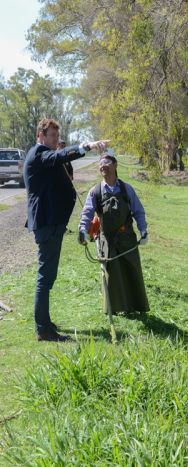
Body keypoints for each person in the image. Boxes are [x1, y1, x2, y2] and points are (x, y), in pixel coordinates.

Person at [24, 118, 108, 342]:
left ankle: (45, 322)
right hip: (47, 223)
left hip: (52, 223)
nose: (55, 140)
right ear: (41, 136)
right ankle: (43, 329)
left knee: (48, 276)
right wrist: (86, 146)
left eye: (56, 136)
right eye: (52, 136)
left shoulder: (45, 156)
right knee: (45, 276)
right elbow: (59, 156)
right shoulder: (39, 154)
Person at [78, 154, 149, 315]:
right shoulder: (95, 191)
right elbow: (87, 212)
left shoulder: (126, 189)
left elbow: (138, 211)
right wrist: (83, 229)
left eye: (107, 162)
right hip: (106, 241)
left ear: (115, 166)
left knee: (132, 271)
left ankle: (136, 307)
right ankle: (113, 309)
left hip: (127, 239)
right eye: (101, 163)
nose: (103, 165)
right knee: (111, 275)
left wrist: (144, 231)